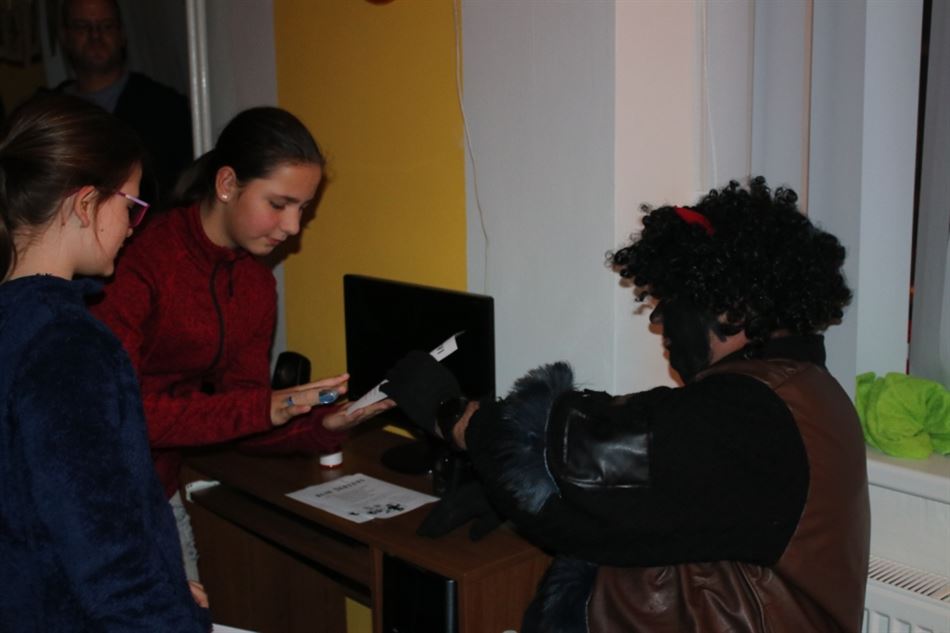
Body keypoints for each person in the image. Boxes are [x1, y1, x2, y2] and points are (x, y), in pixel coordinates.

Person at [381, 178, 871, 633]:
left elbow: (571, 451)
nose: (657, 321)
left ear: (733, 308)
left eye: (670, 300)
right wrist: (501, 490)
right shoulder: (796, 390)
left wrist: (453, 416)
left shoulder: (750, 414)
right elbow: (653, 501)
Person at [90, 105, 393, 580]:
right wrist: (266, 406)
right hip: (93, 495)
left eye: (303, 209)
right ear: (227, 184)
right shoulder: (138, 262)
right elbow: (117, 416)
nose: (293, 227)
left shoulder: (255, 286)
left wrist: (324, 423)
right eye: (279, 204)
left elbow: (244, 415)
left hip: (160, 491)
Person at [0, 94, 210, 631]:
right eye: (131, 206)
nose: (134, 226)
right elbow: (109, 557)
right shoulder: (68, 344)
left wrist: (167, 579)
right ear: (85, 204)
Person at [56, 0, 193, 207]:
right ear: (65, 36)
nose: (95, 35)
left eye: (106, 26)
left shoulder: (165, 107)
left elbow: (182, 195)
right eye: (83, 26)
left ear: (122, 35)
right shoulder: (48, 113)